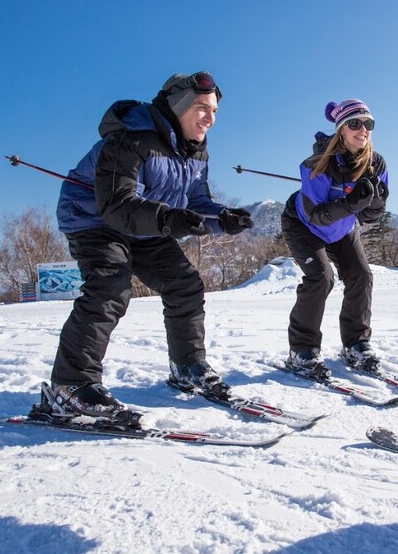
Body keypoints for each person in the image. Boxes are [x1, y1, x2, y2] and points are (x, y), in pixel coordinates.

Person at [47, 71, 254, 417]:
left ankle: (187, 366)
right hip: (94, 219)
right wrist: (167, 219)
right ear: (179, 106)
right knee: (110, 286)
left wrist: (223, 219)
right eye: (202, 108)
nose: (210, 119)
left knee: (185, 283)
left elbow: (196, 201)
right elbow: (116, 204)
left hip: (145, 225)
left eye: (215, 111)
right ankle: (70, 386)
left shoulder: (196, 151)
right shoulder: (130, 139)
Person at [280, 99, 389, 379]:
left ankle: (356, 343)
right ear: (341, 129)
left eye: (368, 124)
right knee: (321, 278)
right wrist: (353, 203)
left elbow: (370, 217)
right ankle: (302, 350)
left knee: (362, 276)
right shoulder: (317, 165)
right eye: (354, 123)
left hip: (342, 228)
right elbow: (316, 215)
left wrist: (374, 200)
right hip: (305, 226)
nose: (362, 129)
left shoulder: (375, 163)